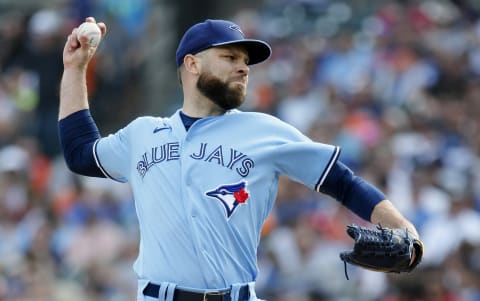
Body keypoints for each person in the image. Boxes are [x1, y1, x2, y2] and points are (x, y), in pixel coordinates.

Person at [58, 17, 420, 301]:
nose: (244, 67)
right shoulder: (142, 134)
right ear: (192, 64)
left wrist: (405, 229)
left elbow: (342, 182)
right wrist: (75, 69)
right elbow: (79, 154)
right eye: (230, 57)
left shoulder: (265, 131)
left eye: (246, 61)